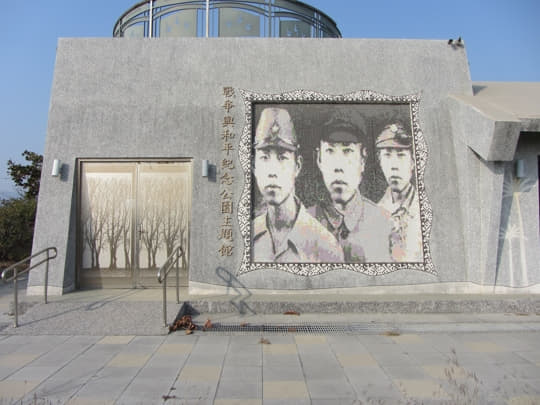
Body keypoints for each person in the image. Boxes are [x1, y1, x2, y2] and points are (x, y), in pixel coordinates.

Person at [251, 107, 344, 263]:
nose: (272, 171)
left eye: (282, 158)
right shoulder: (246, 235)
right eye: (265, 157)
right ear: (254, 167)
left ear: (298, 166)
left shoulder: (325, 245)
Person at [308, 116, 393, 262]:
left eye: (347, 151)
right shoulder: (305, 224)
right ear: (319, 159)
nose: (338, 166)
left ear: (363, 160)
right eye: (330, 151)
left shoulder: (385, 225)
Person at [376, 123, 423, 262]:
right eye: (387, 155)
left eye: (401, 155)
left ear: (413, 162)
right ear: (380, 161)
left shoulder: (424, 210)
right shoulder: (374, 215)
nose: (394, 165)